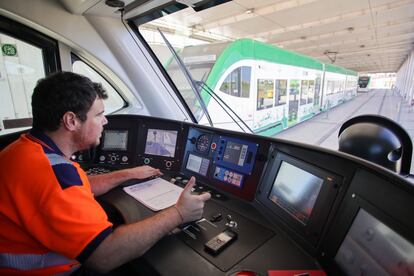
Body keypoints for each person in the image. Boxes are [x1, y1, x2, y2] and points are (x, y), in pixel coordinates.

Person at [0, 72, 211, 275]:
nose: (105, 121)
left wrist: (126, 174)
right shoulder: (54, 174)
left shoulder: (24, 149)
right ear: (71, 121)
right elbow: (104, 255)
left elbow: (72, 190)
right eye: (99, 114)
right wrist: (179, 213)